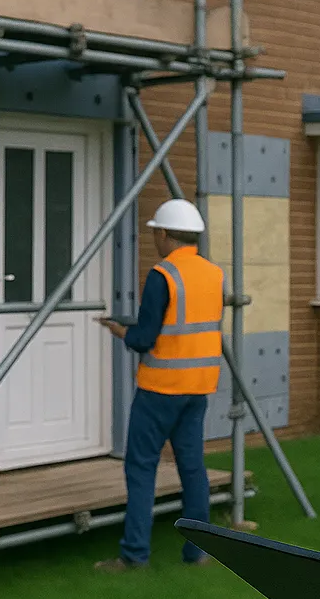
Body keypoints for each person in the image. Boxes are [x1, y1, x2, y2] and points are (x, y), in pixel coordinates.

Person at [95, 198, 224, 571]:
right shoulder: (215, 274)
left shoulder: (162, 274)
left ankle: (135, 554)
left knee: (141, 468)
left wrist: (121, 330)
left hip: (159, 390)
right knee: (193, 468)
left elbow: (144, 338)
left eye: (156, 233)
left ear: (164, 234)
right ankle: (197, 552)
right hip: (198, 387)